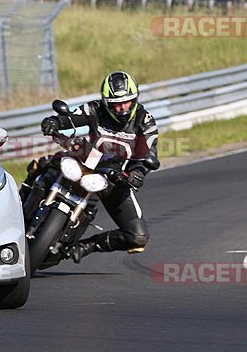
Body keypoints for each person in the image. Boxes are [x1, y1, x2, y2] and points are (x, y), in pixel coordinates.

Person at [27, 71, 160, 263]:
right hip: (83, 162)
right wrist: (54, 122)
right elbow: (71, 118)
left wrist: (137, 173)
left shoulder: (144, 121)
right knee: (46, 164)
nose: (122, 108)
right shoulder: (95, 109)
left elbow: (148, 155)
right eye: (115, 104)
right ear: (106, 102)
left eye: (127, 102)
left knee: (138, 237)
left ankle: (85, 245)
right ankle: (21, 203)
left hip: (114, 176)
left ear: (135, 99)